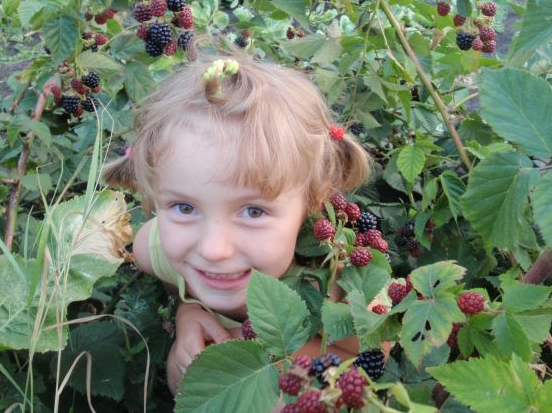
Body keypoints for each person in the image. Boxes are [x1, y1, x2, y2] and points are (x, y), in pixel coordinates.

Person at [104, 52, 372, 395]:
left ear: (311, 202)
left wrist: (255, 357)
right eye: (184, 207)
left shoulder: (330, 288)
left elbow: (373, 360)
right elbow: (173, 284)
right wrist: (188, 311)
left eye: (253, 212)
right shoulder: (151, 249)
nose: (213, 249)